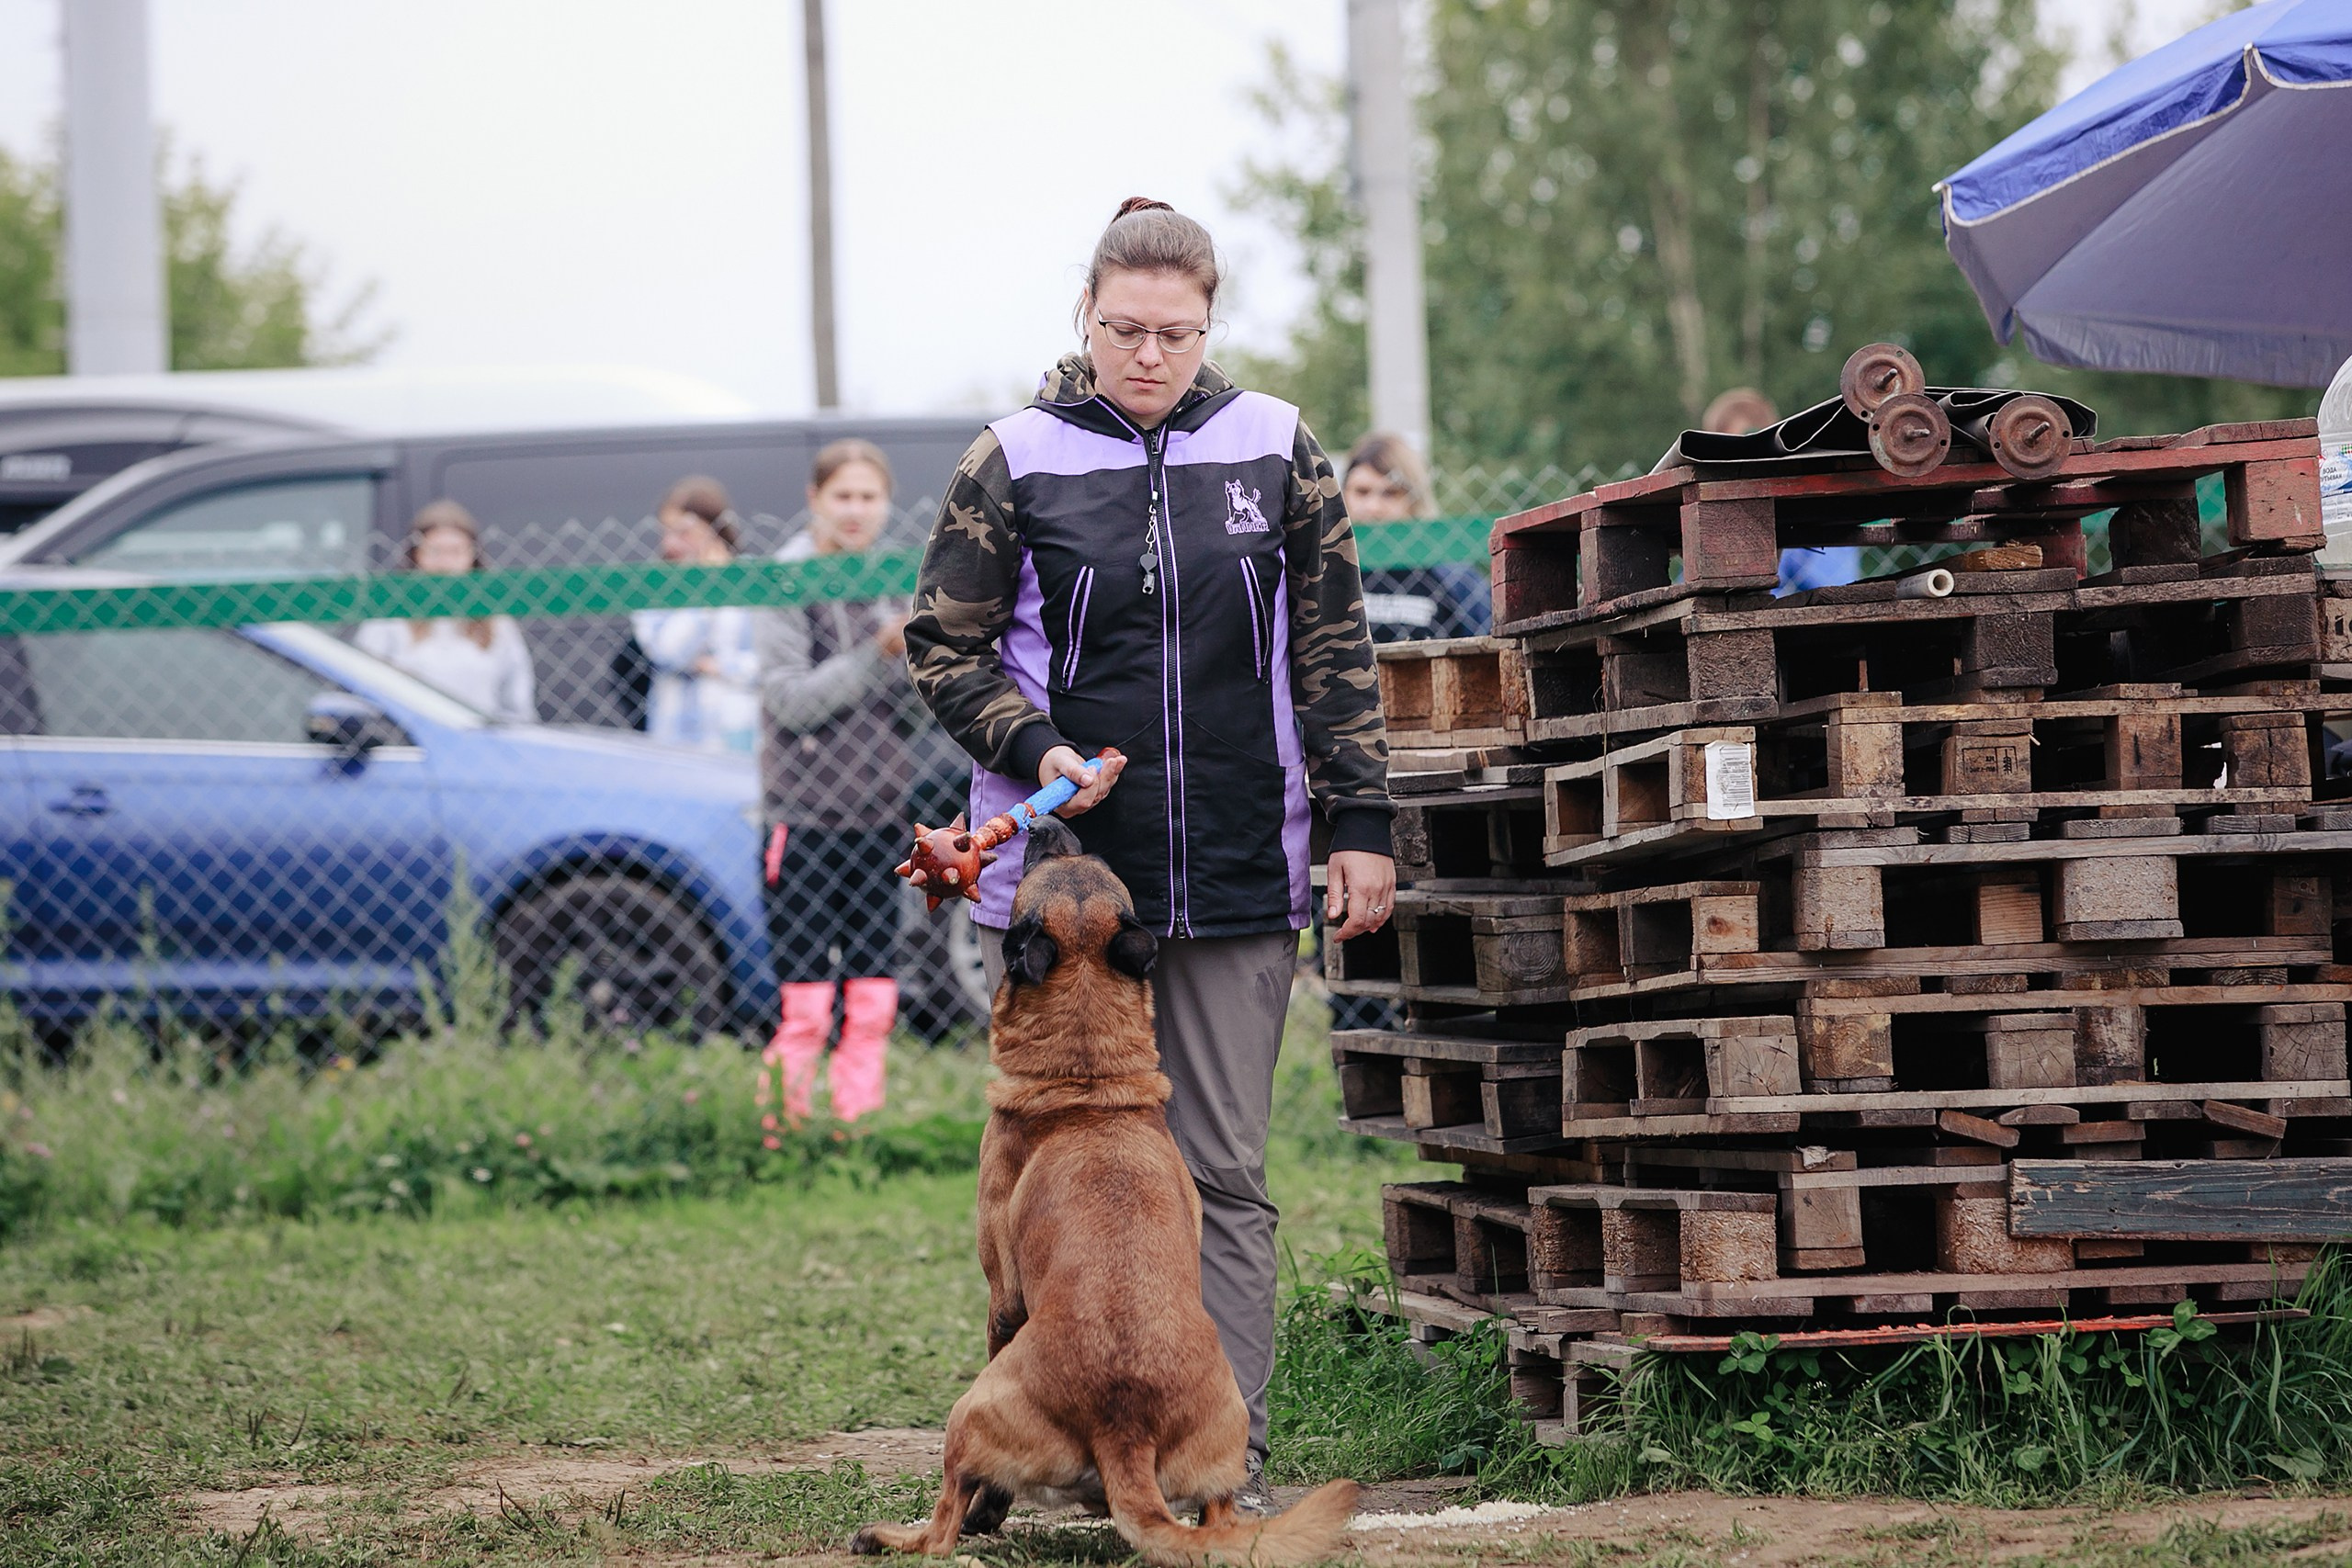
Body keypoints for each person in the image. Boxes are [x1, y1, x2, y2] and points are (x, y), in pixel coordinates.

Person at [904, 197, 1395, 1511]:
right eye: (1125, 328)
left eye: (1175, 332)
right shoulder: (1012, 455)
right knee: (1049, 1175)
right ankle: (1031, 1446)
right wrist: (1036, 740)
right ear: (1088, 316)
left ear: (1208, 325)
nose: (1149, 354)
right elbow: (941, 647)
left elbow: (1333, 652)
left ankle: (1220, 1451)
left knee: (1222, 1173)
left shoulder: (1278, 446)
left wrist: (1360, 824)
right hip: (1068, 887)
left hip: (1241, 859)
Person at [755, 438, 911, 1123]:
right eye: (842, 496)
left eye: (868, 497)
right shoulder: (787, 578)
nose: (855, 510)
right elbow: (788, 701)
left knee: (875, 990)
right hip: (806, 814)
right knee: (808, 998)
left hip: (880, 812)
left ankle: (856, 1126)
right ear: (815, 499)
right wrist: (876, 655)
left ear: (886, 505)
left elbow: (913, 702)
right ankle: (783, 1129)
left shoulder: (892, 577)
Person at [356, 500, 537, 721]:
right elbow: (363, 690)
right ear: (416, 555)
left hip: (481, 743)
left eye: (456, 551)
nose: (445, 563)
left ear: (473, 556)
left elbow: (517, 703)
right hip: (412, 745)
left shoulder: (497, 623)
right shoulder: (389, 619)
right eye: (435, 551)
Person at [631, 476, 760, 755]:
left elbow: (770, 663)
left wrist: (720, 666)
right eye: (666, 531)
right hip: (675, 738)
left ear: (714, 529)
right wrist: (708, 593)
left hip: (740, 738)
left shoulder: (752, 578)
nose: (671, 543)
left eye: (684, 532)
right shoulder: (655, 587)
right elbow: (668, 654)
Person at [1343, 431, 1491, 641]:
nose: (1373, 507)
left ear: (1414, 498)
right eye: (1362, 491)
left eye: (1390, 493)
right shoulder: (1328, 570)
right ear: (1343, 494)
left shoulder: (1453, 576)